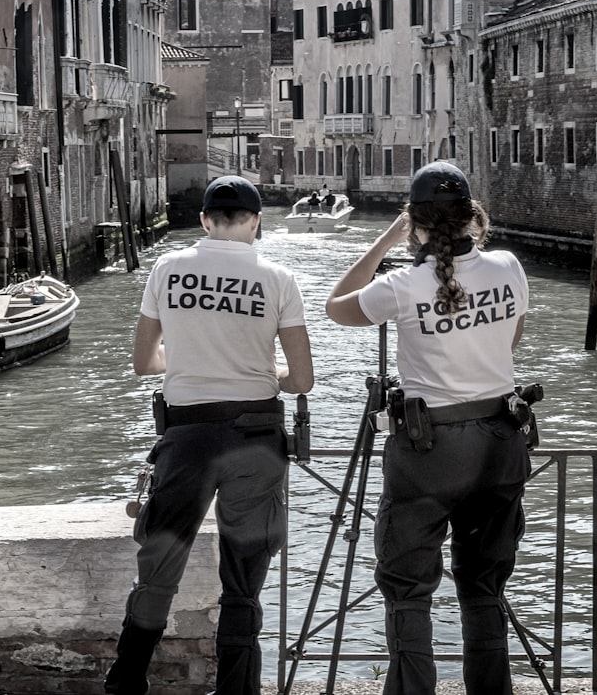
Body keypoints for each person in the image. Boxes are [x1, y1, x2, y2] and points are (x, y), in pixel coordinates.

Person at [324, 161, 532, 695]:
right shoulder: (508, 267)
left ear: (415, 222)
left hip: (429, 449)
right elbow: (508, 344)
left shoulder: (401, 284)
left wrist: (385, 239)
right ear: (474, 218)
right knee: (484, 584)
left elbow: (334, 306)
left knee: (409, 587)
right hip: (499, 440)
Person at [105, 175, 314, 695]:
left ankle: (126, 682)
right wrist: (265, 377)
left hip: (189, 436)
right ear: (256, 221)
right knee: (243, 580)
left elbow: (142, 363)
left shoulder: (168, 268)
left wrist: (190, 363)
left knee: (159, 570)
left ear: (203, 220)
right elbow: (302, 379)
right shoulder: (279, 278)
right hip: (256, 438)